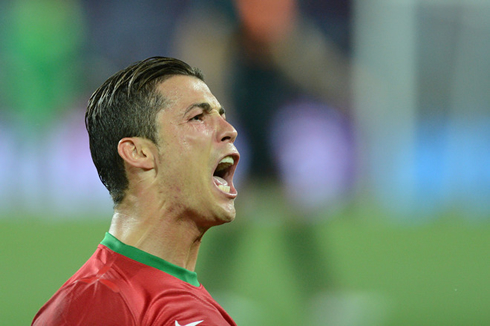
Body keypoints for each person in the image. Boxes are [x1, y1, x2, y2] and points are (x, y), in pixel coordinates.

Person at [32, 57, 240, 326]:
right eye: (198, 117)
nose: (230, 131)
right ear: (139, 153)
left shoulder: (165, 296)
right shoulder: (98, 305)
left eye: (221, 116)